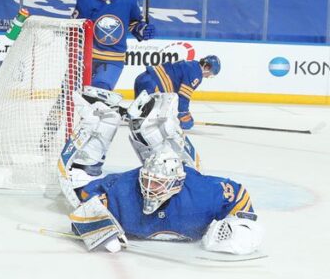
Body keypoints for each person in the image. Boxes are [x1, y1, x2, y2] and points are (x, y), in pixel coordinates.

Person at [68, 149, 262, 256]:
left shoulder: (202, 193)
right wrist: (99, 227)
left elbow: (239, 194)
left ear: (176, 184)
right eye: (146, 180)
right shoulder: (123, 189)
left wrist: (241, 225)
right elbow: (84, 200)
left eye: (158, 184)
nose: (149, 188)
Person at [58, 87, 202, 203]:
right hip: (179, 187)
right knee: (145, 128)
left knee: (142, 128)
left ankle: (84, 168)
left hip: (177, 188)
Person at [71, 0, 154, 90]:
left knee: (99, 91)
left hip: (113, 58)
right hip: (86, 57)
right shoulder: (85, 0)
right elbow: (74, 30)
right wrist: (76, 56)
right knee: (69, 94)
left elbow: (133, 22)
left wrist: (141, 30)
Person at [134, 55, 220, 130]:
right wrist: (184, 116)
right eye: (211, 73)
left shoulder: (192, 64)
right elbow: (184, 96)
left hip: (143, 78)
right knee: (151, 119)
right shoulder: (196, 74)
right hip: (153, 85)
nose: (208, 76)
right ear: (207, 67)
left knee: (136, 114)